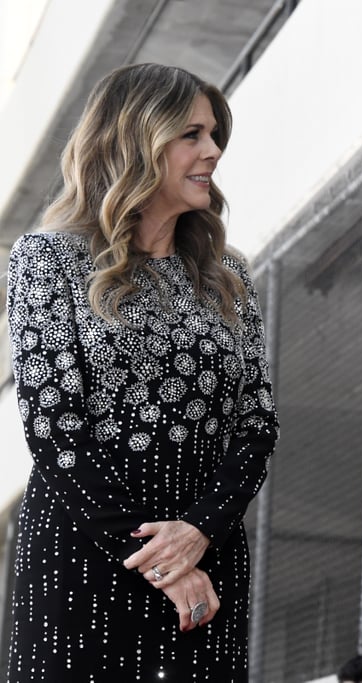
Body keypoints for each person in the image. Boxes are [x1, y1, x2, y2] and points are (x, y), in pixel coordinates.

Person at [5, 63, 279, 681]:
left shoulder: (229, 277)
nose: (212, 151)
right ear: (135, 141)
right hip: (87, 560)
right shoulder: (49, 259)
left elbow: (258, 426)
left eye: (213, 135)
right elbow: (54, 430)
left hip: (208, 559)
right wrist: (164, 563)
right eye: (191, 134)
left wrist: (201, 533)